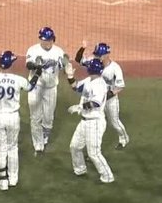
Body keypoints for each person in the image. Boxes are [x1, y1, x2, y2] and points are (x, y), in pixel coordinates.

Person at [0, 50, 42, 191]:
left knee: (0, 149)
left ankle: (3, 180)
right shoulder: (18, 79)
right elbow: (30, 87)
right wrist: (37, 74)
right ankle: (13, 179)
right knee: (12, 147)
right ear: (11, 64)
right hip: (13, 117)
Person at [72, 40, 128, 149]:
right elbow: (78, 59)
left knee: (114, 122)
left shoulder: (115, 68)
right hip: (95, 100)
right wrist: (82, 48)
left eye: (99, 55)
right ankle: (92, 148)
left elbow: (120, 86)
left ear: (107, 55)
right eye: (96, 54)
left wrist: (106, 96)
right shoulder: (94, 63)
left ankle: (123, 138)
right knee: (94, 123)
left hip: (110, 100)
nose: (97, 57)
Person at [26, 26, 73, 154]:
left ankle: (45, 137)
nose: (46, 42)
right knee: (35, 117)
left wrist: (66, 65)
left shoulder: (58, 51)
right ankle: (38, 145)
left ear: (53, 39)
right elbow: (28, 65)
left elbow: (64, 64)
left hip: (51, 88)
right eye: (43, 40)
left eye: (48, 40)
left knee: (48, 117)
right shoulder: (33, 50)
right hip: (35, 87)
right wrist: (36, 65)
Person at [67, 58, 114, 183]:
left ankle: (107, 176)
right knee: (75, 147)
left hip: (95, 122)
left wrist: (79, 107)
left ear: (90, 69)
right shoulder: (89, 80)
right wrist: (70, 76)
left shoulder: (100, 84)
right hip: (84, 121)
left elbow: (95, 103)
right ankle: (80, 169)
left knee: (94, 153)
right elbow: (76, 87)